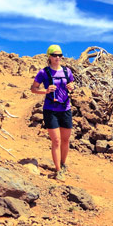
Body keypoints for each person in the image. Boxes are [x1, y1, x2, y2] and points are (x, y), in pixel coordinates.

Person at [31, 44, 75, 180]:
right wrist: (45, 90)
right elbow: (33, 88)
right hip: (50, 110)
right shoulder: (43, 72)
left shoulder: (67, 72)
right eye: (55, 55)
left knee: (66, 140)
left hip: (65, 109)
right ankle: (58, 170)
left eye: (60, 55)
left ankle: (63, 163)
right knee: (56, 141)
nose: (58, 58)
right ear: (49, 56)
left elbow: (72, 85)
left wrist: (72, 87)